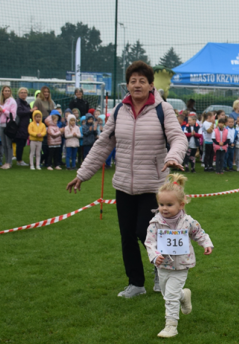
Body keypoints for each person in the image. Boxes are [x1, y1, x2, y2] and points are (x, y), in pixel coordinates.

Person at [67, 61, 186, 298]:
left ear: (151, 85)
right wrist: (82, 174)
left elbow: (178, 138)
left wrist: (173, 156)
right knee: (127, 235)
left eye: (143, 80)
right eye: (133, 81)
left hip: (153, 185)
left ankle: (158, 267)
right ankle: (135, 283)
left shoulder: (163, 110)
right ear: (128, 85)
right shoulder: (119, 111)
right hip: (123, 185)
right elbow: (103, 144)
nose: (138, 84)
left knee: (146, 231)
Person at [144, 174, 213, 338]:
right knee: (167, 293)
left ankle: (171, 326)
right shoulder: (155, 223)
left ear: (181, 205)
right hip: (162, 265)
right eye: (161, 204)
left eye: (169, 204)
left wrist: (206, 243)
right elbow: (149, 242)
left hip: (181, 265)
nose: (164, 208)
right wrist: (154, 256)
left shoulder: (188, 222)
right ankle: (184, 295)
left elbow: (199, 233)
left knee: (170, 296)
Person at [0, 86, 17, 169]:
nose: (7, 92)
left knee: (8, 144)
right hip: (1, 124)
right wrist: (0, 111)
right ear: (2, 92)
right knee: (3, 144)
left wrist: (3, 110)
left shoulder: (12, 102)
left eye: (8, 90)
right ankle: (6, 161)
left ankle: (9, 162)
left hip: (8, 125)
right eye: (5, 91)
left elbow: (12, 115)